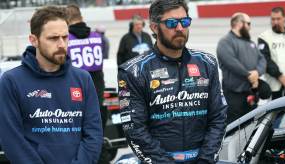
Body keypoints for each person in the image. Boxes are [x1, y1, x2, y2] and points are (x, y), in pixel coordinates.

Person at [118, 0, 227, 163]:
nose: (179, 28)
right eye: (171, 23)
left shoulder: (207, 63)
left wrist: (205, 160)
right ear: (154, 27)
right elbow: (135, 130)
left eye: (184, 21)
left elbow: (218, 117)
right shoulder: (133, 71)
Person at [0, 6, 103, 164]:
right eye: (53, 38)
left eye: (65, 37)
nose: (62, 44)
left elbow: (94, 134)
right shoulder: (11, 81)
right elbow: (11, 139)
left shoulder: (83, 79)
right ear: (34, 40)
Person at [216, 12, 267, 124]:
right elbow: (231, 62)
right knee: (235, 128)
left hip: (251, 93)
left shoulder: (250, 43)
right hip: (234, 96)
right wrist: (249, 75)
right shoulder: (225, 42)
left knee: (251, 126)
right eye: (248, 23)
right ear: (239, 23)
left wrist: (257, 73)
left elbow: (262, 59)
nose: (250, 27)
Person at [66, 4, 107, 129]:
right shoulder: (98, 37)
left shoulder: (65, 39)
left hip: (74, 88)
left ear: (66, 20)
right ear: (82, 17)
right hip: (97, 87)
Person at [258, 7, 285, 100]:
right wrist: (280, 77)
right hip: (275, 86)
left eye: (278, 19)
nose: (275, 22)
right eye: (273, 19)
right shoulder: (264, 37)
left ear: (284, 18)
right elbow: (265, 60)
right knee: (276, 114)